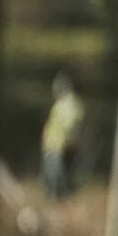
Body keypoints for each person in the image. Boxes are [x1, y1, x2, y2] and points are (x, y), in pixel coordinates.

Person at [41, 71, 85, 201]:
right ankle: (58, 200)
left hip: (59, 145)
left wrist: (73, 139)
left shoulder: (69, 104)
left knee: (57, 178)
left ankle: (61, 202)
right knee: (55, 177)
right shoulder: (64, 103)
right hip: (53, 144)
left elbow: (75, 124)